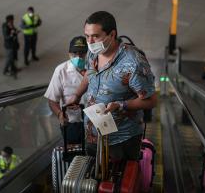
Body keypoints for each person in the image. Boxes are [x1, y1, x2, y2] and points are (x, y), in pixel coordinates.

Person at [65, 11, 157, 161]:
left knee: (118, 182)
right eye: (87, 36)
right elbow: (90, 73)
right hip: (92, 133)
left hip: (121, 139)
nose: (90, 41)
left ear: (112, 34)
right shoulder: (93, 52)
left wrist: (121, 105)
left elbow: (151, 100)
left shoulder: (134, 62)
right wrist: (76, 95)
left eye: (95, 36)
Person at [45, 36, 88, 145]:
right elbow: (52, 100)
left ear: (88, 53)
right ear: (69, 54)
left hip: (94, 123)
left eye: (82, 53)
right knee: (75, 158)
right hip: (72, 124)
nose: (78, 57)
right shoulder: (61, 70)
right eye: (74, 54)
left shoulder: (95, 68)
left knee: (95, 156)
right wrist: (59, 114)